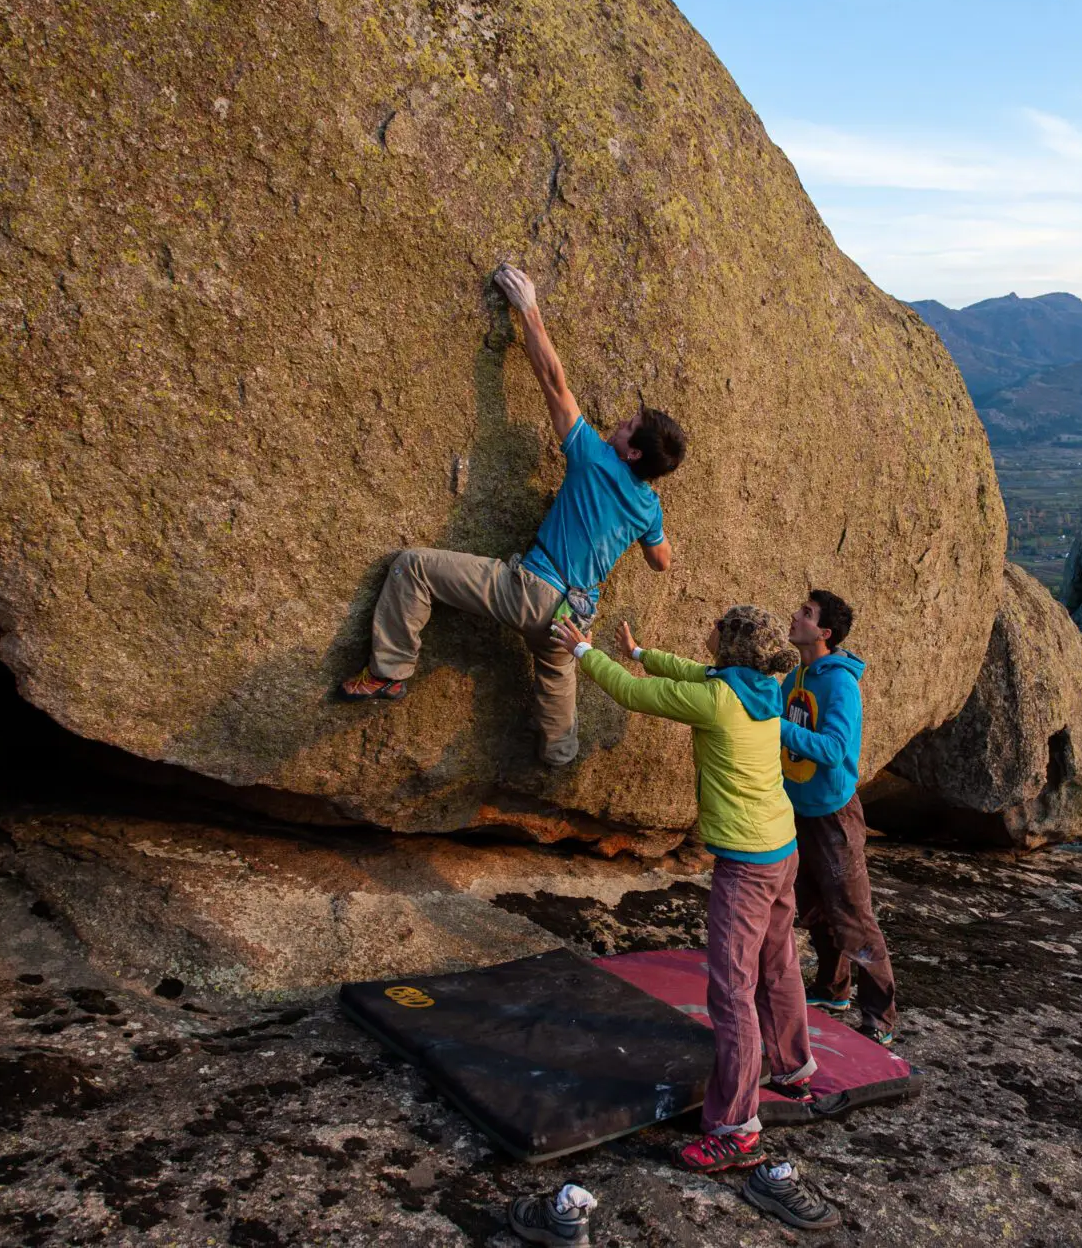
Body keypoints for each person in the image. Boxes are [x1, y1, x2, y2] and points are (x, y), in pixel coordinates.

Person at [338, 264, 688, 769]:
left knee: (413, 566)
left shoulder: (594, 456)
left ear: (633, 453)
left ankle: (389, 669)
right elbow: (662, 561)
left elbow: (552, 380)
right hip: (573, 619)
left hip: (529, 591)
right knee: (556, 681)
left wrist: (527, 308)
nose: (618, 423)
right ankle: (561, 760)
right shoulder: (648, 505)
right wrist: (643, 529)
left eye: (628, 426)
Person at [552, 607, 817, 1177]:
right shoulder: (758, 686)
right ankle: (795, 1068)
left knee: (732, 992)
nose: (712, 628)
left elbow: (632, 694)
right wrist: (643, 652)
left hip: (746, 864)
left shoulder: (720, 699)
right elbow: (693, 671)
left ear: (732, 643)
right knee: (779, 963)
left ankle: (736, 1129)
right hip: (782, 848)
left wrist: (582, 651)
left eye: (720, 624)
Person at [778, 591, 898, 1045]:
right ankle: (832, 990)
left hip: (832, 815)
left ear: (824, 632)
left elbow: (833, 749)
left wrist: (775, 727)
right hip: (798, 812)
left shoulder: (840, 684)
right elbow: (765, 708)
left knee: (853, 917)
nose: (794, 615)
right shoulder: (797, 675)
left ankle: (880, 1019)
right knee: (812, 907)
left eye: (805, 613)